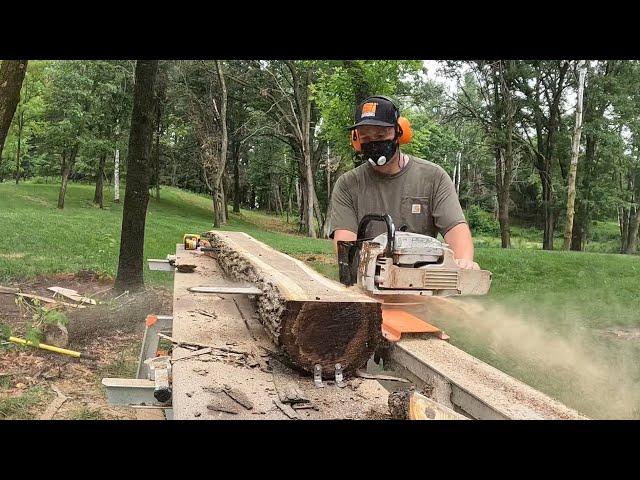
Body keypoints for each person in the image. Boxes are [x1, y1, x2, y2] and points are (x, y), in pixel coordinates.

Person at [327, 95, 480, 270]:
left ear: (400, 132)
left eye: (381, 135)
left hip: (424, 280)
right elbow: (346, 246)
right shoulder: (347, 185)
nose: (374, 143)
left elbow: (456, 231)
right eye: (366, 138)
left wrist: (464, 262)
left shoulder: (433, 178)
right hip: (368, 278)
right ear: (356, 141)